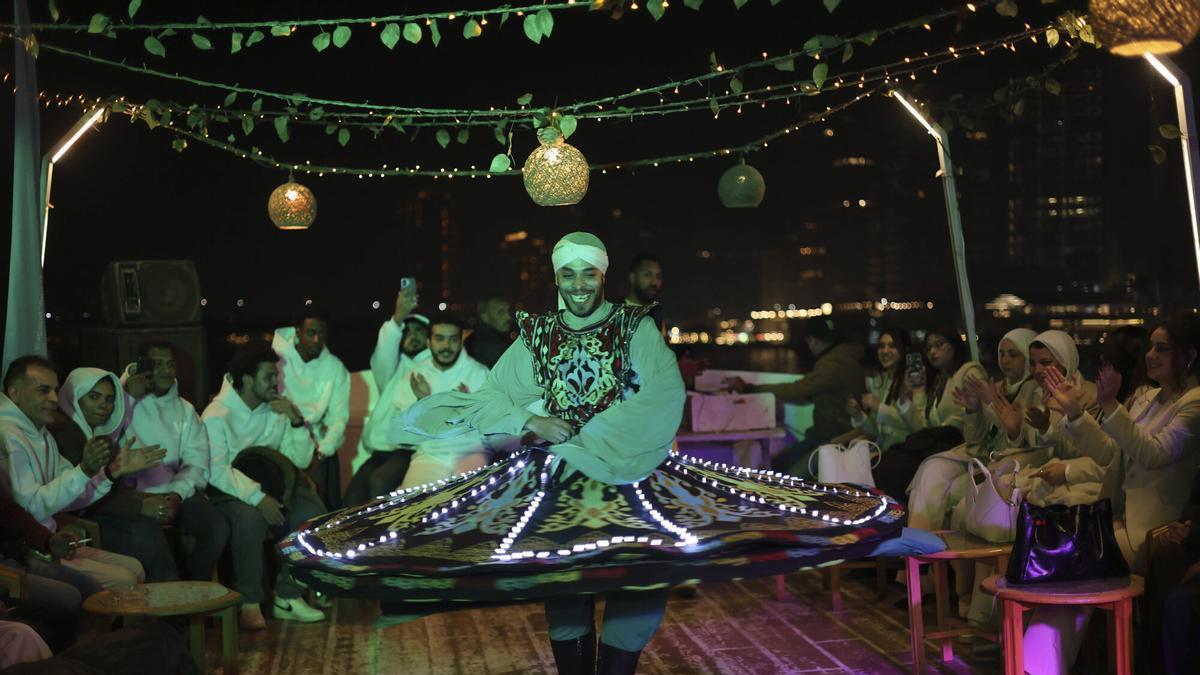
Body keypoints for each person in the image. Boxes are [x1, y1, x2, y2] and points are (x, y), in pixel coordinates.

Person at [282, 232, 926, 675]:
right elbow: (496, 398)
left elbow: (664, 390)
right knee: (563, 572)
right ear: (556, 276)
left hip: (634, 472)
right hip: (557, 479)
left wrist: (611, 433)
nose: (580, 283)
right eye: (569, 272)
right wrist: (535, 416)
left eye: (591, 272)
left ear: (603, 276)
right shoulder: (534, 336)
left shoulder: (633, 327)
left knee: (645, 568)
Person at [1021, 315, 1200, 675]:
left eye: (1162, 348)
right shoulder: (1148, 398)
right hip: (1116, 516)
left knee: (1071, 562)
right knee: (1059, 559)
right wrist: (1074, 412)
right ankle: (1034, 664)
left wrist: (1112, 408)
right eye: (1150, 347)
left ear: (1189, 356)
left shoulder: (1194, 403)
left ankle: (1037, 666)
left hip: (1154, 530)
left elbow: (1154, 453)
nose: (1151, 355)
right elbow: (1109, 455)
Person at [0, 357, 161, 589]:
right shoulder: (8, 435)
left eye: (55, 391)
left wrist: (112, 472)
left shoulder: (39, 431)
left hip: (52, 540)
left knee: (135, 567)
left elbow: (73, 492)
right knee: (125, 578)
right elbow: (30, 508)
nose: (54, 399)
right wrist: (86, 470)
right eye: (43, 391)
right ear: (15, 394)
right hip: (29, 548)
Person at [200, 343, 326, 629]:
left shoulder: (275, 411)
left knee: (313, 512)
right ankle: (250, 601)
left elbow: (299, 459)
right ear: (246, 380)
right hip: (226, 492)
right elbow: (216, 470)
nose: (276, 383)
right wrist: (258, 498)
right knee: (250, 518)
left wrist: (295, 421)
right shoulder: (216, 415)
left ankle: (288, 596)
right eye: (269, 377)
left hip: (272, 487)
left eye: (276, 376)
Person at [49, 367, 183, 583]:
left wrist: (147, 500)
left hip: (102, 509)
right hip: (79, 520)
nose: (104, 405)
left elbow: (112, 483)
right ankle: (164, 603)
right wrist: (140, 506)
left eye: (110, 399)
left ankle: (167, 601)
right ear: (75, 397)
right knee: (144, 532)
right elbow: (81, 495)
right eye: (94, 397)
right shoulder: (63, 434)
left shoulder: (94, 433)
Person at [120, 340, 228, 582]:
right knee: (150, 535)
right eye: (158, 364)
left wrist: (176, 494)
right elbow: (107, 442)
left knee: (216, 526)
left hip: (175, 493)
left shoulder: (185, 410)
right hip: (133, 495)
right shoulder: (118, 403)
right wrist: (127, 398)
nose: (166, 371)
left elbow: (196, 462)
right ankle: (167, 598)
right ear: (141, 366)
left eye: (170, 364)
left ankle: (193, 589)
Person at [729, 316, 865, 477]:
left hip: (835, 441)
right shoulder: (843, 358)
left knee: (788, 476)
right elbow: (812, 393)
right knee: (777, 464)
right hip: (825, 436)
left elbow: (798, 389)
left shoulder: (833, 365)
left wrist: (751, 388)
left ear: (812, 340)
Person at [871, 328, 986, 502]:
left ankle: (898, 518)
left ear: (954, 345)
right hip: (937, 444)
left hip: (961, 446)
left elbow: (976, 419)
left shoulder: (969, 372)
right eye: (928, 348)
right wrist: (916, 393)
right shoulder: (939, 380)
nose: (933, 351)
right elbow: (923, 426)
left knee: (895, 467)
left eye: (939, 345)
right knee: (888, 463)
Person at [344, 285, 428, 505]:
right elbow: (384, 351)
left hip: (409, 450)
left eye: (419, 331)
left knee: (379, 483)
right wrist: (398, 316)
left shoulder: (434, 367)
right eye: (407, 332)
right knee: (351, 499)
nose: (413, 337)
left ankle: (382, 537)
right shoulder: (392, 367)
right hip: (380, 449)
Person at [388, 314, 490, 489]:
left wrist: (468, 410)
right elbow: (401, 436)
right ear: (428, 342)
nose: (446, 346)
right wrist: (423, 402)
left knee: (471, 503)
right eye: (439, 339)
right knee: (412, 506)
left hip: (471, 453)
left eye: (453, 340)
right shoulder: (414, 376)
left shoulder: (480, 374)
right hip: (430, 455)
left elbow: (492, 429)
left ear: (461, 341)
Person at [273, 311, 350, 508]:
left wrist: (323, 450)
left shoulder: (335, 367)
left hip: (316, 444)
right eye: (310, 333)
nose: (316, 340)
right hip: (279, 439)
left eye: (322, 334)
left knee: (326, 507)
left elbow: (338, 417)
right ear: (298, 332)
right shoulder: (277, 359)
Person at [847, 327, 919, 451]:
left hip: (906, 450)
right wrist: (858, 414)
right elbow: (877, 431)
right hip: (885, 451)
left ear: (904, 350)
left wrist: (878, 407)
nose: (885, 351)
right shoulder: (882, 380)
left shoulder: (912, 379)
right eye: (881, 346)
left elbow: (917, 426)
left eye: (892, 346)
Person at [465, 296, 514, 369]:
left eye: (508, 311)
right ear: (485, 317)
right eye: (500, 312)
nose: (508, 317)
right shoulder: (490, 346)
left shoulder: (474, 339)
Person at [624, 253, 664, 335]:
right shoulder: (613, 315)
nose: (654, 282)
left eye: (658, 276)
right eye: (647, 275)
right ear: (632, 277)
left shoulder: (656, 315)